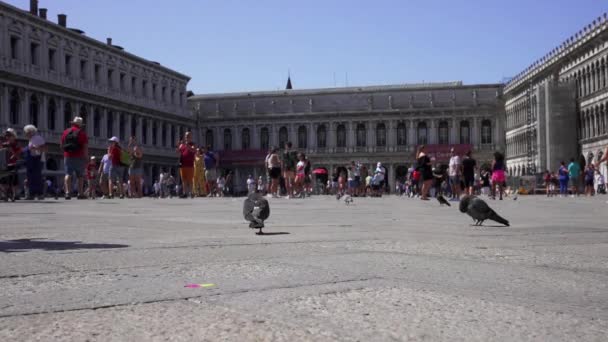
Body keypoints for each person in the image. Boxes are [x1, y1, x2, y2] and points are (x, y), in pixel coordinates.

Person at [60, 116, 88, 200]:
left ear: (73, 123)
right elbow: (85, 147)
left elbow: (61, 145)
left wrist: (65, 153)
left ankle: (67, 193)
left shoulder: (65, 132)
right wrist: (86, 157)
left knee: (68, 174)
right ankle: (80, 193)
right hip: (79, 156)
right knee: (80, 176)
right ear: (80, 125)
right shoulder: (82, 133)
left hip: (68, 156)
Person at [23, 125, 46, 200]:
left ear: (31, 132)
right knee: (30, 177)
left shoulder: (38, 138)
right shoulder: (31, 139)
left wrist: (35, 148)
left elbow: (44, 148)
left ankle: (39, 193)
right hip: (31, 159)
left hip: (36, 159)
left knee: (36, 176)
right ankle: (32, 193)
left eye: (26, 132)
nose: (25, 134)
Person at [1, 128, 22, 200]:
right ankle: (4, 194)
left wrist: (12, 151)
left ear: (13, 136)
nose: (7, 137)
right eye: (6, 136)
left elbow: (18, 156)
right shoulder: (4, 144)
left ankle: (15, 194)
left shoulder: (17, 144)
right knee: (3, 179)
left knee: (14, 179)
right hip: (5, 164)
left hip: (14, 164)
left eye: (9, 135)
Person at [177, 132, 196, 198]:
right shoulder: (182, 145)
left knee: (190, 180)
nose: (187, 137)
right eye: (186, 136)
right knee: (184, 180)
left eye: (188, 136)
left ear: (191, 137)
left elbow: (193, 150)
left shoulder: (192, 144)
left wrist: (188, 146)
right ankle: (185, 193)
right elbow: (178, 152)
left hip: (190, 165)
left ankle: (191, 193)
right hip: (182, 165)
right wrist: (178, 145)